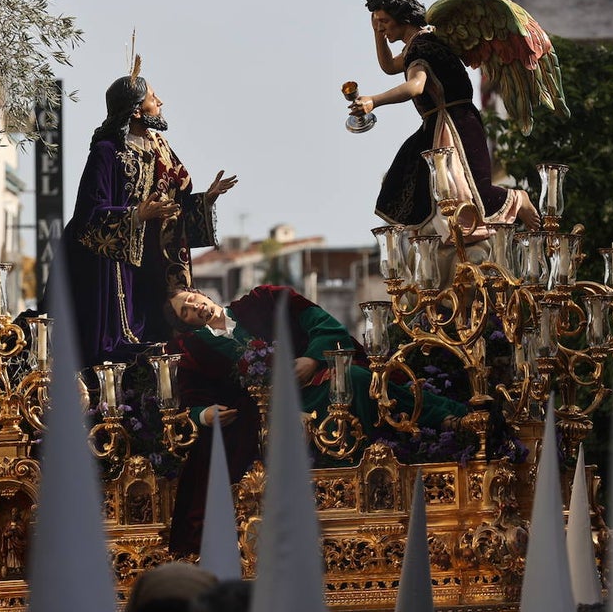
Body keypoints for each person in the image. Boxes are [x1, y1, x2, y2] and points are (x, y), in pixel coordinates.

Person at [163, 284, 466, 555]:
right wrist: (203, 414)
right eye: (185, 312)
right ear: (185, 324)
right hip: (259, 415)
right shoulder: (194, 348)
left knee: (358, 379)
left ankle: (446, 420)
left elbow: (324, 325)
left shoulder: (264, 300)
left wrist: (312, 359)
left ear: (201, 292)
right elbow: (186, 401)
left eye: (191, 299)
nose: (194, 308)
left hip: (314, 387)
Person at [47, 70, 237, 368]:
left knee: (157, 330)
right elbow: (86, 215)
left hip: (153, 261)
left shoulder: (160, 146)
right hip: (110, 263)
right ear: (136, 109)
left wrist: (204, 201)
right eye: (152, 98)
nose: (159, 102)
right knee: (116, 339)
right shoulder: (107, 151)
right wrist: (136, 215)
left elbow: (177, 203)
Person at [350, 0, 540, 240]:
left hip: (457, 124)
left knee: (473, 191)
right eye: (378, 23)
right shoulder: (416, 44)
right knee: (422, 185)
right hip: (438, 125)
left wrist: (374, 101)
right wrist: (377, 33)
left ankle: (519, 199)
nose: (382, 27)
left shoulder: (423, 46)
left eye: (385, 21)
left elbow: (415, 86)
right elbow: (388, 66)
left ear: (403, 17)